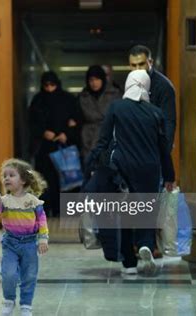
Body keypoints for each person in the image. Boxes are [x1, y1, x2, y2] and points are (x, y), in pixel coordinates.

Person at [86, 70, 175, 276]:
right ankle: (145, 243)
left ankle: (129, 263)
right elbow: (163, 148)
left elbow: (104, 139)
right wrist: (169, 175)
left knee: (124, 214)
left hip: (123, 168)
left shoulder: (117, 107)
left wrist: (92, 164)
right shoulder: (155, 112)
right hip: (150, 169)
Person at [0, 158, 49, 316]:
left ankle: (26, 305)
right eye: (5, 175)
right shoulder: (4, 201)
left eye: (11, 175)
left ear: (22, 180)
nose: (6, 178)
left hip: (29, 244)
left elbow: (42, 221)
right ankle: (9, 300)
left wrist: (43, 239)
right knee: (8, 274)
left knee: (29, 275)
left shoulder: (34, 202)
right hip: (10, 243)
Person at [28, 71, 81, 217]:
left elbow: (77, 121)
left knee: (66, 180)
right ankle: (46, 212)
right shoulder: (38, 100)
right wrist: (43, 132)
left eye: (52, 85)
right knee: (44, 181)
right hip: (44, 148)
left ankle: (62, 211)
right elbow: (32, 123)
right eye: (46, 85)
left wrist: (66, 134)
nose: (50, 89)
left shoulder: (68, 99)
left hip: (64, 147)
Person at [129, 45, 176, 151]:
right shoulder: (130, 84)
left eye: (141, 64)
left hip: (155, 146)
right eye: (133, 65)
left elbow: (169, 121)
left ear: (150, 62)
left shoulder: (163, 86)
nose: (137, 69)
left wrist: (164, 153)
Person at [78, 65, 122, 158]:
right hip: (88, 138)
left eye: (97, 79)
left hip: (110, 136)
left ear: (103, 79)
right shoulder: (83, 97)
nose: (94, 83)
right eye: (91, 80)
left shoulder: (115, 94)